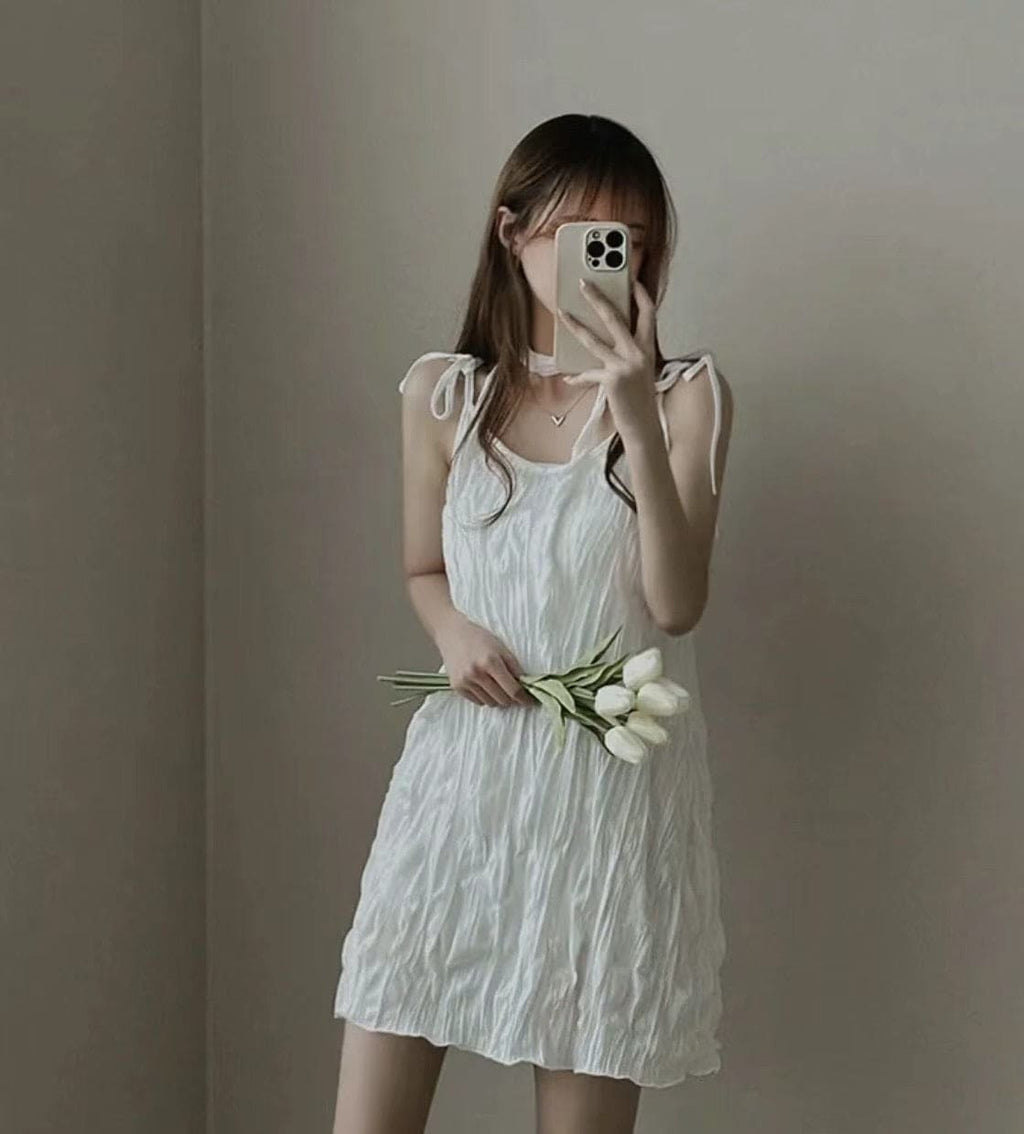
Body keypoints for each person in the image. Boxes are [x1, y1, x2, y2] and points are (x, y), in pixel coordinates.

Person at [330, 113, 734, 1134]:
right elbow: (422, 566)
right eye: (585, 234)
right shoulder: (443, 393)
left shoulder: (687, 399)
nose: (613, 258)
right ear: (512, 234)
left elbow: (677, 604)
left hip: (607, 806)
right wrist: (452, 634)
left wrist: (633, 412)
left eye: (633, 240)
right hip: (462, 785)